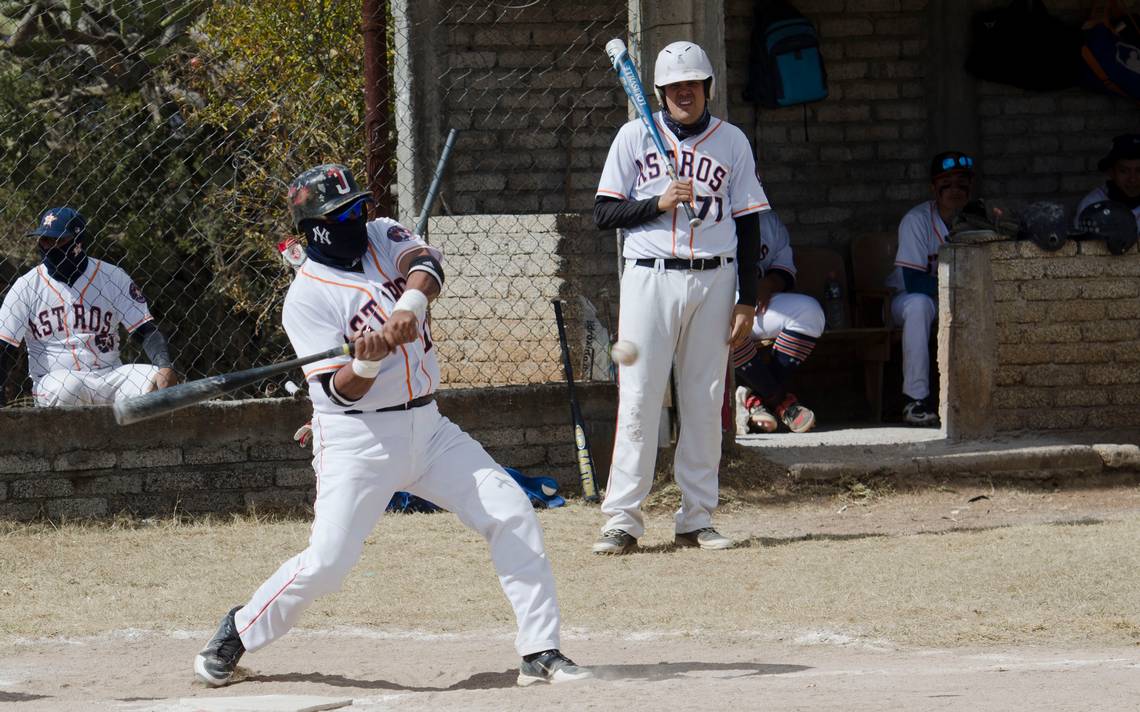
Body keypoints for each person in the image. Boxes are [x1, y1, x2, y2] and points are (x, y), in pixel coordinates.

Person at [194, 164, 590, 688]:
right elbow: (336, 390)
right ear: (316, 229)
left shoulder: (380, 236)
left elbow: (426, 262)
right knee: (329, 563)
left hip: (428, 427)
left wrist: (410, 303)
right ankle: (238, 630)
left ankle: (540, 650)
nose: (361, 217)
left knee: (510, 509)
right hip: (357, 440)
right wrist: (366, 360)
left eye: (361, 206)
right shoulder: (307, 296)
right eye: (346, 214)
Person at [592, 40, 768, 554]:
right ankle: (622, 519)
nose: (684, 93)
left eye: (692, 84)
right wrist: (657, 203)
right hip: (649, 275)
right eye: (674, 87)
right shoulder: (632, 137)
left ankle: (696, 517)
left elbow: (750, 220)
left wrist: (747, 298)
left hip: (716, 278)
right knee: (641, 396)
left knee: (704, 399)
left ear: (707, 88)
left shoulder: (731, 141)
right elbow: (604, 213)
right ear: (660, 93)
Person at [0, 207, 177, 406]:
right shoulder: (26, 286)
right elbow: (3, 346)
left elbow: (145, 330)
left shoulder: (112, 277)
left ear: (79, 242)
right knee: (70, 387)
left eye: (58, 240)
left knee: (154, 380)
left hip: (110, 377)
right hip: (54, 379)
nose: (48, 246)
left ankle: (143, 438)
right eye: (44, 239)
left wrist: (164, 366)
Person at [886, 151, 975, 427]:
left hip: (952, 297)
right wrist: (960, 290)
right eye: (946, 183)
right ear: (933, 188)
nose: (955, 190)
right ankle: (915, 400)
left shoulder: (976, 219)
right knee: (919, 306)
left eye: (962, 183)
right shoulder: (917, 220)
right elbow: (913, 282)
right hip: (905, 299)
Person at [732, 210, 823, 434]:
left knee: (809, 312)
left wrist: (769, 284)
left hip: (756, 306)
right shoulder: (711, 215)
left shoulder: (768, 221)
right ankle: (782, 402)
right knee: (716, 323)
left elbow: (784, 270)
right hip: (719, 308)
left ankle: (752, 396)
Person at [1075, 133, 1140, 231]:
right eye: (1124, 171)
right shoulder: (1091, 205)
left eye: (1139, 171)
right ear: (1111, 172)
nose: (1132, 179)